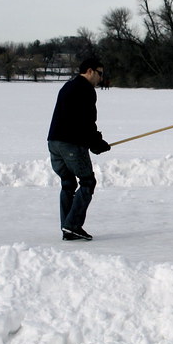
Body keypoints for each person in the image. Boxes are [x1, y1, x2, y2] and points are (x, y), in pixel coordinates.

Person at [47, 58, 111, 241]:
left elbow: (76, 119)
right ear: (89, 71)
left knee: (68, 183)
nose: (101, 78)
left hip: (54, 142)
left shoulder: (68, 86)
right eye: (100, 73)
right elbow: (86, 121)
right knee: (87, 182)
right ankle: (72, 225)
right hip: (71, 144)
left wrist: (94, 142)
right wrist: (97, 143)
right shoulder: (86, 90)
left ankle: (68, 227)